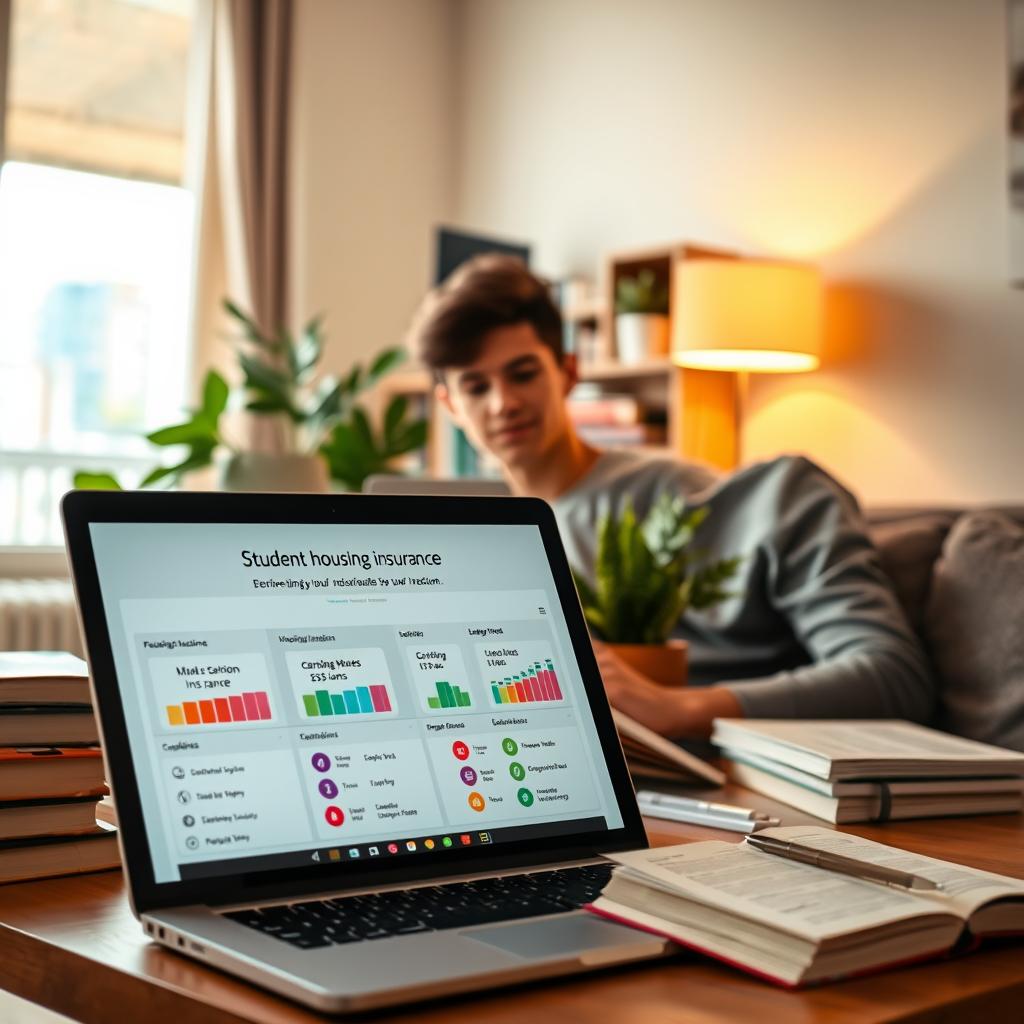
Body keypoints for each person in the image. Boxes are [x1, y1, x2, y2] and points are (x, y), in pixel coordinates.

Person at [406, 254, 934, 739]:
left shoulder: (715, 502)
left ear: (568, 372)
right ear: (450, 406)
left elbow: (894, 677)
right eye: (476, 387)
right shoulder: (491, 547)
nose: (502, 404)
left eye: (522, 374)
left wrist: (677, 707)